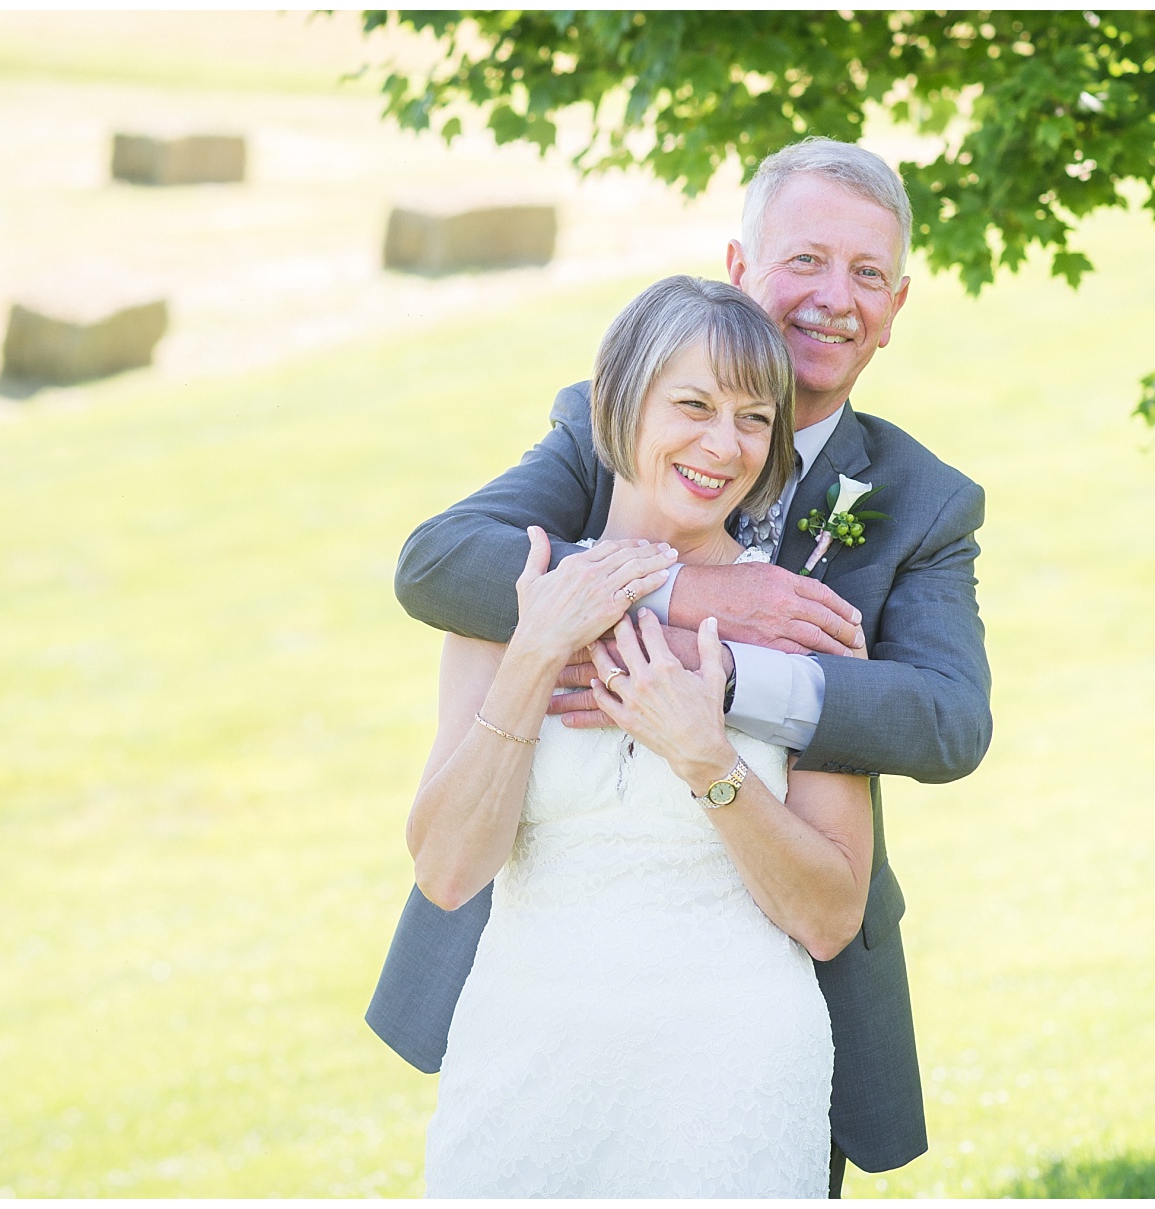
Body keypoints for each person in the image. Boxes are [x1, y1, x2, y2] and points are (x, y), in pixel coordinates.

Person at [369, 136, 991, 1196]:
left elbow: (945, 721)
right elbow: (439, 563)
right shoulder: (602, 420)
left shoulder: (919, 500)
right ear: (742, 269)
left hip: (746, 1029)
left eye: (869, 275)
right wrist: (684, 595)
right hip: (531, 1026)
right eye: (806, 259)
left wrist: (730, 685)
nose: (835, 299)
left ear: (897, 307)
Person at [415, 275, 872, 1196]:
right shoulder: (505, 599)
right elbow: (449, 871)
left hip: (728, 1081)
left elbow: (830, 918)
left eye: (753, 418)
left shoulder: (801, 626)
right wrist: (535, 652)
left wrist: (709, 759)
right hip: (523, 1070)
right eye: (694, 405)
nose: (723, 444)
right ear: (620, 403)